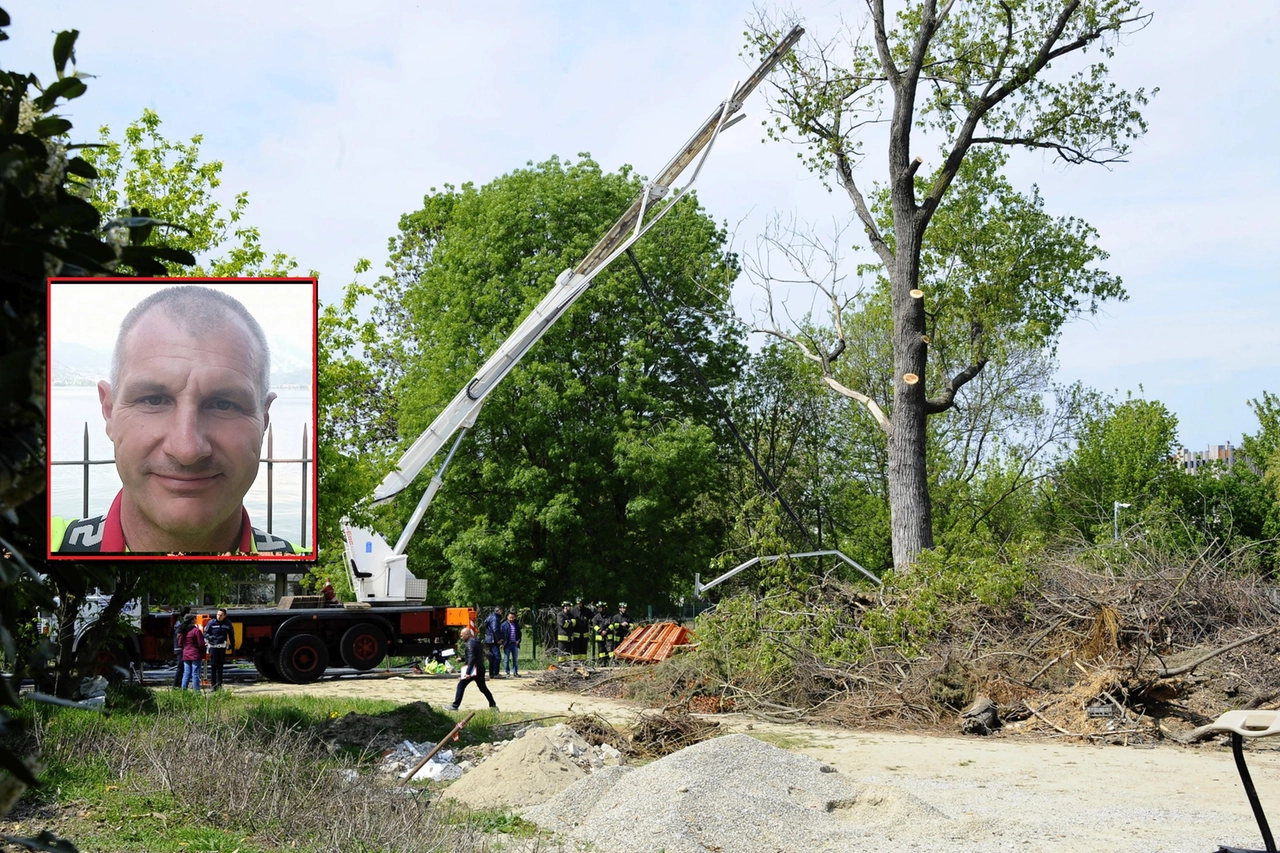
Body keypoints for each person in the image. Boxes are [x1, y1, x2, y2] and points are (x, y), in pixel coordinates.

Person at [50, 285, 296, 555]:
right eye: (154, 400)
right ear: (109, 410)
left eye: (224, 404)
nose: (186, 450)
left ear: (264, 419)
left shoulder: (307, 571)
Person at [447, 627, 496, 711]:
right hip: (480, 668)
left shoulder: (470, 644)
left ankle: (455, 706)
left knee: (461, 685)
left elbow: (472, 658)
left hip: (473, 670)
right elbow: (474, 656)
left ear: (467, 634)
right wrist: (462, 659)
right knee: (483, 688)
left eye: (462, 636)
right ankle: (493, 705)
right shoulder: (477, 642)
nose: (461, 638)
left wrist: (468, 673)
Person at [203, 608, 235, 691]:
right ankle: (213, 685)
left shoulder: (228, 624)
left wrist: (233, 647)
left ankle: (219, 684)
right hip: (213, 647)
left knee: (220, 666)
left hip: (222, 647)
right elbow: (205, 633)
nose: (219, 616)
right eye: (218, 615)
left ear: (225, 616)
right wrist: (210, 637)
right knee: (213, 666)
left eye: (221, 615)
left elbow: (231, 636)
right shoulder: (211, 623)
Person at [178, 612, 205, 692]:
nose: (196, 619)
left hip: (186, 655)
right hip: (195, 655)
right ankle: (196, 692)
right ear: (192, 620)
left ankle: (184, 691)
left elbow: (180, 644)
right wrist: (203, 650)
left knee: (186, 673)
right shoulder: (196, 631)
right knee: (195, 673)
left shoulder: (183, 631)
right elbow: (201, 644)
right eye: (195, 618)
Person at [171, 606, 191, 687]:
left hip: (179, 647)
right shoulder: (182, 623)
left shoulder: (179, 622)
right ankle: (176, 685)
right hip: (180, 648)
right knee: (181, 667)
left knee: (182, 667)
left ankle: (178, 684)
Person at [482, 606, 504, 677]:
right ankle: (495, 673)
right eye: (501, 611)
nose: (502, 612)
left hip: (489, 639)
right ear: (499, 610)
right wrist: (498, 639)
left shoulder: (490, 616)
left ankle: (492, 673)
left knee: (492, 657)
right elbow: (495, 629)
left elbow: (486, 624)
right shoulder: (495, 618)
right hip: (493, 639)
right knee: (497, 657)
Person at [501, 610, 522, 677]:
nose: (511, 619)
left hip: (514, 644)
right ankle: (507, 672)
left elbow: (519, 634)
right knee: (506, 659)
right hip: (507, 644)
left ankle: (515, 672)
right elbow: (501, 634)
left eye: (513, 617)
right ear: (507, 617)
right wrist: (502, 643)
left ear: (514, 618)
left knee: (515, 659)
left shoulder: (516, 624)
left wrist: (518, 641)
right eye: (510, 617)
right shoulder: (503, 625)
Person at [592, 601, 612, 666]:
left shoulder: (609, 616)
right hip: (600, 636)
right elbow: (594, 625)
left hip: (608, 636)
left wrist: (607, 630)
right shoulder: (596, 617)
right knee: (601, 651)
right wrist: (600, 631)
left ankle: (612, 662)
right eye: (598, 607)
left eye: (600, 607)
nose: (599, 609)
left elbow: (612, 625)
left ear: (604, 608)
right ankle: (602, 662)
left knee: (610, 650)